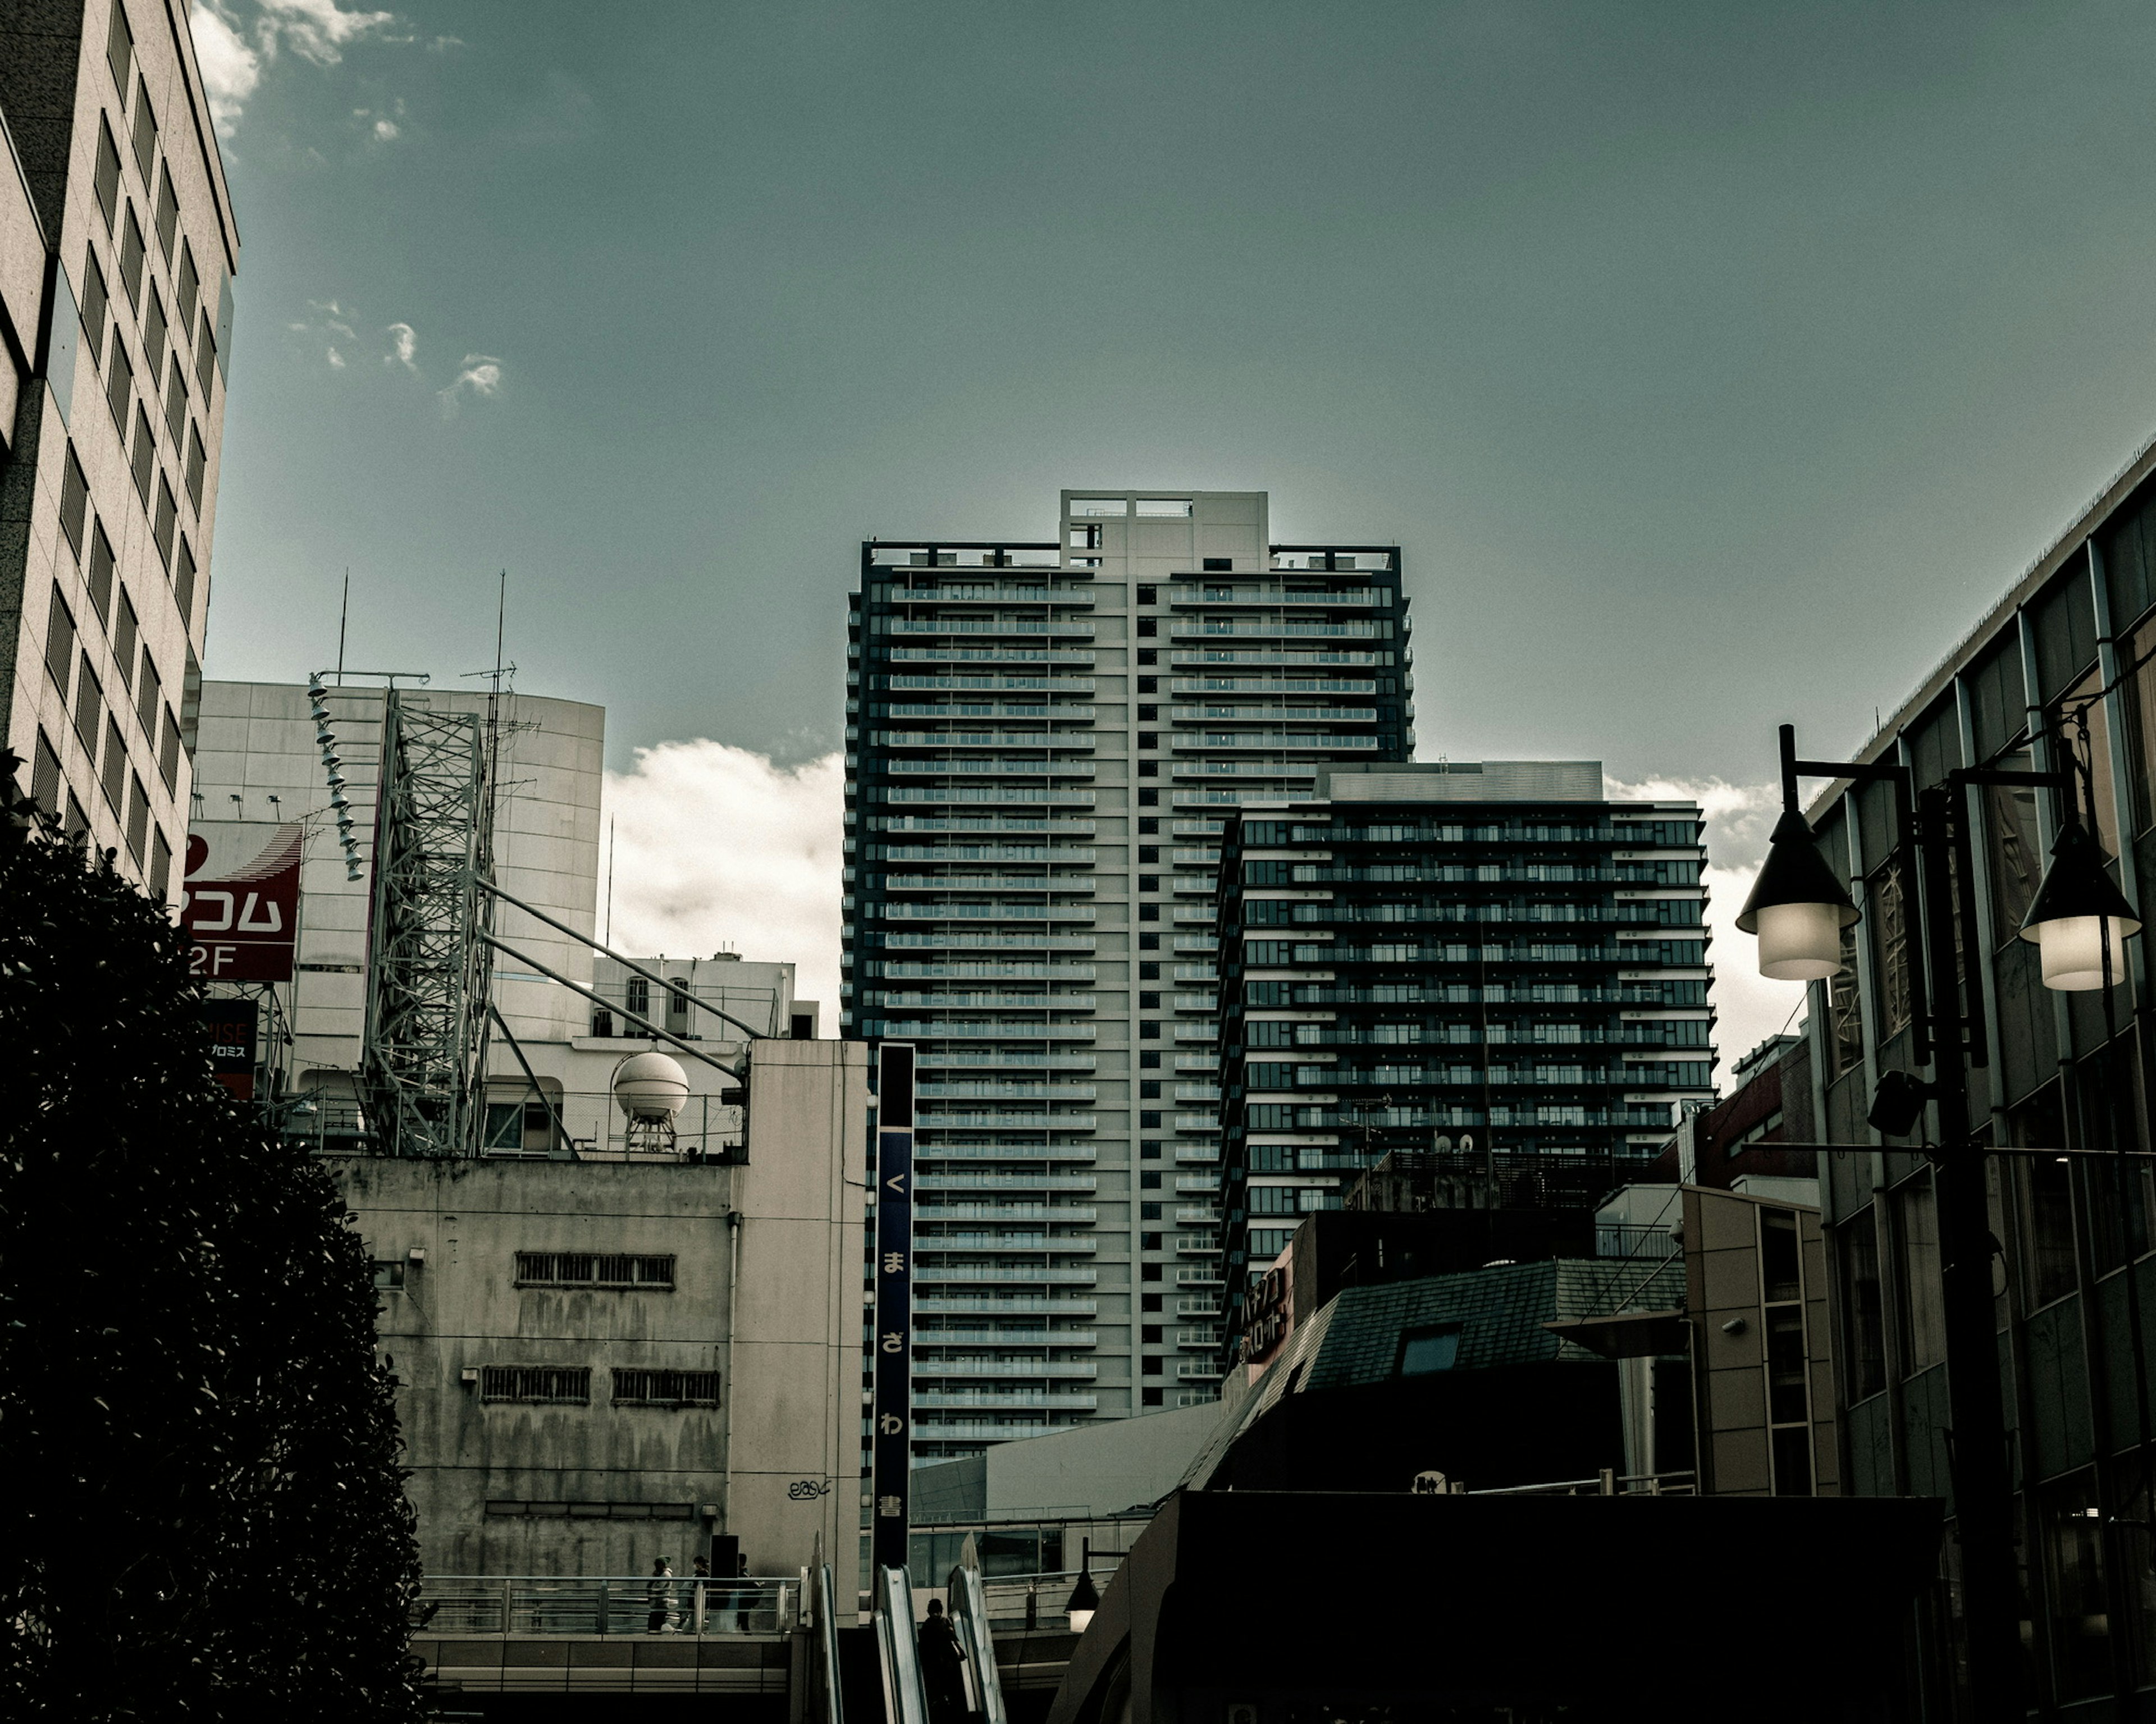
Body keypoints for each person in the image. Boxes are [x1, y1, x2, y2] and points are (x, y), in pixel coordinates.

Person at [918, 1596, 968, 1724]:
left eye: (937, 1612)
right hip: (946, 1660)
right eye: (935, 1612)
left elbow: (924, 1645)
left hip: (937, 1661)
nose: (936, 1614)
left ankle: (942, 1700)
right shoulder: (945, 1622)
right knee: (948, 1682)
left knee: (940, 1683)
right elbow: (953, 1639)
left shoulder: (927, 1625)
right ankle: (948, 1700)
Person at [647, 1556, 676, 1634]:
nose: (656, 1566)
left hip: (661, 1603)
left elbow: (658, 1588)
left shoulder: (666, 1575)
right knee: (655, 1625)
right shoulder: (659, 1575)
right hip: (656, 1603)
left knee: (655, 1625)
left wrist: (653, 1584)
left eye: (658, 1564)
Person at [691, 1556, 711, 1634]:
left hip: (699, 1600)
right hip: (700, 1600)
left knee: (696, 1619)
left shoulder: (701, 1574)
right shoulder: (705, 1573)